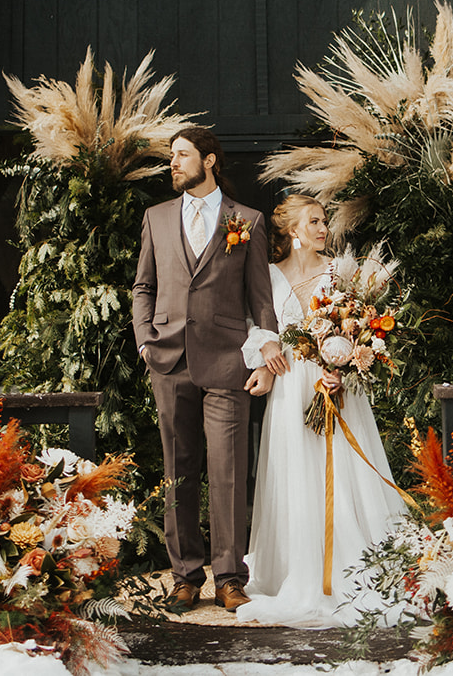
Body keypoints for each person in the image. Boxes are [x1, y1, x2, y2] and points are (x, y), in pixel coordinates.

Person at [132, 127, 286, 614]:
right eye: (172, 156)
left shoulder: (249, 220)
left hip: (227, 360)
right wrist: (144, 340)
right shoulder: (155, 218)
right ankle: (184, 576)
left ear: (211, 160)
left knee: (228, 472)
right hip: (168, 359)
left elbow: (262, 301)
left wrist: (265, 356)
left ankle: (228, 577)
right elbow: (143, 287)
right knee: (179, 470)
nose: (173, 164)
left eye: (182, 155)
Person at [236, 195, 406, 628]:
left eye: (324, 221)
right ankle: (299, 568)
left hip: (335, 389)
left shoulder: (339, 274)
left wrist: (343, 368)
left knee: (344, 478)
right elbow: (256, 327)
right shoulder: (269, 276)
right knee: (296, 475)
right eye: (313, 221)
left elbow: (363, 329)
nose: (322, 228)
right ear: (293, 230)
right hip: (291, 391)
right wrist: (266, 357)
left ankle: (349, 569)